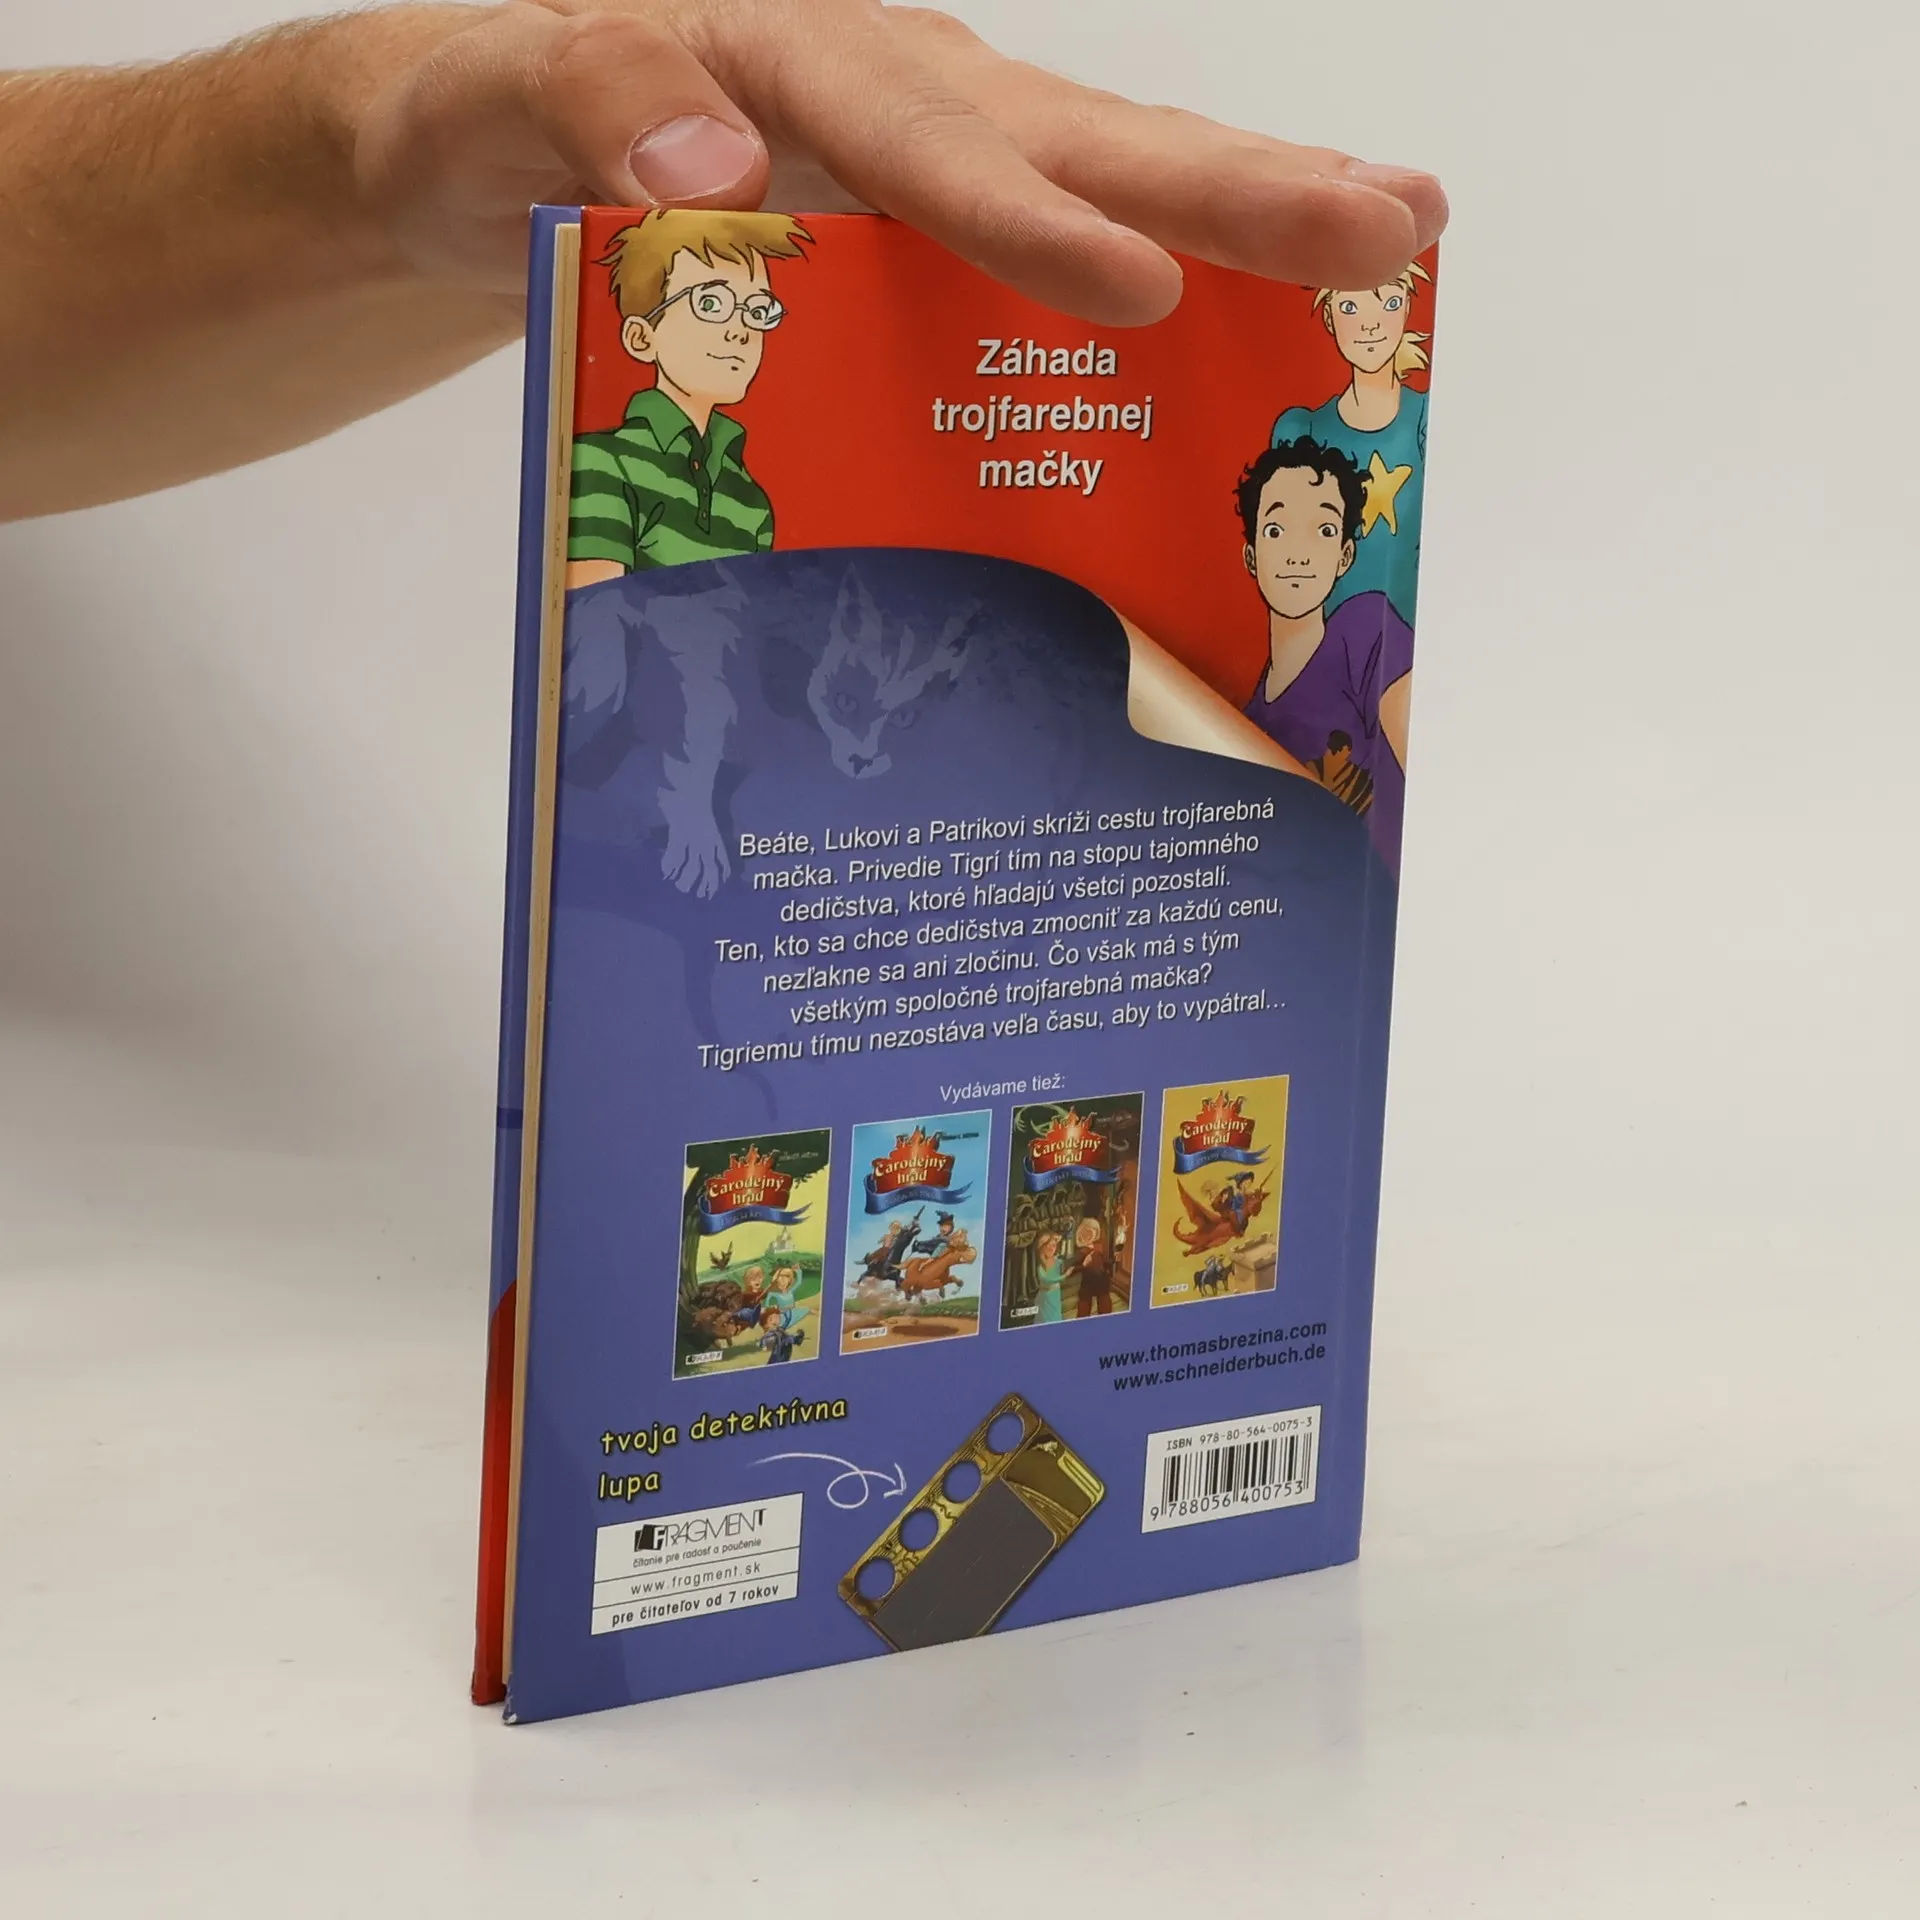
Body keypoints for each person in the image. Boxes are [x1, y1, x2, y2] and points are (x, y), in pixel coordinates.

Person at [0, 4, 1444, 523]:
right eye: (716, 296)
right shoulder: (653, 489)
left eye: (746, 296)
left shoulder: (740, 478)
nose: (747, 319)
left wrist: (372, 182)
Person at [565, 209, 809, 585]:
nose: (740, 330)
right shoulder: (601, 462)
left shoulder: (748, 499)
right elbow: (592, 611)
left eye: (758, 310)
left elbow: (748, 617)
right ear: (641, 338)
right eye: (711, 304)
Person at [1236, 437, 1414, 871]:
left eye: (1324, 530)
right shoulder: (1248, 722)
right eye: (1276, 530)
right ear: (1252, 556)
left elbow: (1427, 760)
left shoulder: (1367, 629)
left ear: (1345, 556)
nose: (1298, 554)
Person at [1270, 265, 1432, 628]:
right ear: (1329, 318)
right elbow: (1282, 559)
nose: (1370, 325)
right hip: (1326, 641)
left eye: (1391, 302)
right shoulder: (1301, 431)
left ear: (1407, 308)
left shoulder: (1426, 417)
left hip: (1413, 639)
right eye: (1349, 307)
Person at [1069, 1215, 1116, 1316]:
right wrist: (1084, 1265)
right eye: (1085, 1232)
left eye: (1091, 1232)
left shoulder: (1099, 1247)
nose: (1088, 1235)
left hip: (1102, 1282)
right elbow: (1072, 1270)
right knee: (1083, 1309)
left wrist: (1111, 1262)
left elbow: (1105, 1261)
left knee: (1105, 1307)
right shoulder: (1082, 1252)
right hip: (1088, 1284)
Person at [1033, 1230, 1067, 1325]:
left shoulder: (1056, 1261)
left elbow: (1068, 1262)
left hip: (1055, 1294)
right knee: (1045, 1319)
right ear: (1042, 1247)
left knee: (1056, 1317)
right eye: (1049, 1246)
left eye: (1054, 1246)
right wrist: (1064, 1276)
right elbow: (1046, 1279)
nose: (1052, 1249)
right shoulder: (1040, 1265)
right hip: (1045, 1297)